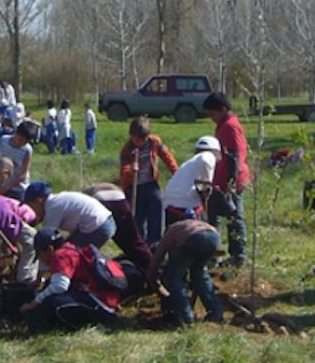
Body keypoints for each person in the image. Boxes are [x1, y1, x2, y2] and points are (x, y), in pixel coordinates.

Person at [19, 228, 121, 332]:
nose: (42, 260)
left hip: (100, 305)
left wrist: (34, 302)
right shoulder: (69, 248)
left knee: (52, 303)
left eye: (40, 255)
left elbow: (60, 286)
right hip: (104, 302)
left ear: (50, 249)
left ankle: (94, 326)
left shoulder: (60, 256)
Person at [203, 92, 252, 267]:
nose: (211, 118)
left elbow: (234, 156)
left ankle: (238, 256)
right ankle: (213, 253)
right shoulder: (224, 124)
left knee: (234, 217)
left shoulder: (230, 127)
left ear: (223, 109)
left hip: (232, 181)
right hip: (221, 180)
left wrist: (230, 185)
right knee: (213, 214)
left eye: (212, 114)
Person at [146, 219, 224, 326]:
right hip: (213, 237)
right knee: (200, 275)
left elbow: (158, 257)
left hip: (193, 239)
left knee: (173, 278)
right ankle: (216, 312)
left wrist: (153, 276)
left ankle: (185, 318)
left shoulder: (170, 233)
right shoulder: (188, 224)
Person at [120, 116, 178, 244]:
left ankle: (155, 242)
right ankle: (140, 243)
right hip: (135, 187)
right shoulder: (127, 149)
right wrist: (130, 169)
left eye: (143, 139)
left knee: (157, 205)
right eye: (136, 139)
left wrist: (176, 173)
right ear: (131, 136)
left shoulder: (154, 142)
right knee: (138, 216)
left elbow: (167, 157)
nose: (140, 142)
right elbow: (123, 171)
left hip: (151, 183)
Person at [22, 181, 116, 249]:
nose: (32, 210)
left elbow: (45, 241)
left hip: (99, 226)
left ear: (39, 200)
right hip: (105, 221)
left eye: (31, 206)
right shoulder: (57, 200)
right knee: (72, 250)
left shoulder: (52, 209)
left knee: (67, 254)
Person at [83, 183, 154, 272]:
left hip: (100, 198)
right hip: (118, 195)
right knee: (134, 242)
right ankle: (153, 269)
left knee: (83, 246)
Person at [0, 194, 39, 284]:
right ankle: (25, 277)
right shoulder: (31, 214)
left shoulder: (13, 202)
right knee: (32, 239)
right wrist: (14, 248)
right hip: (2, 212)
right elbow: (17, 231)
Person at [163, 136, 221, 226]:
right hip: (187, 207)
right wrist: (207, 186)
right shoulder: (208, 155)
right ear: (216, 151)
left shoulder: (190, 164)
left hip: (170, 206)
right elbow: (205, 160)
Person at [0, 120, 39, 200]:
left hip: (17, 187)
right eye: (20, 139)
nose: (21, 143)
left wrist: (4, 189)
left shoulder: (27, 150)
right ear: (16, 133)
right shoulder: (4, 140)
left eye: (25, 142)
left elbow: (23, 175)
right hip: (1, 182)